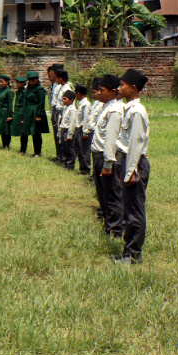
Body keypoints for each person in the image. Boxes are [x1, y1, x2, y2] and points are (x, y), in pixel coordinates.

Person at [112, 69, 149, 265]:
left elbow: (135, 142)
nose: (119, 89)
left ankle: (134, 255)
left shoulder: (136, 111)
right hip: (129, 160)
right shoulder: (129, 108)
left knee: (135, 210)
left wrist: (131, 170)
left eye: (122, 85)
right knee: (129, 209)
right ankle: (128, 251)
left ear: (132, 88)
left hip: (133, 162)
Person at [91, 74, 123, 237]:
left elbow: (111, 139)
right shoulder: (105, 107)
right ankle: (108, 224)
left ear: (113, 91)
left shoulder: (115, 110)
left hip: (106, 158)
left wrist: (108, 164)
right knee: (103, 194)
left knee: (112, 195)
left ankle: (116, 229)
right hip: (99, 156)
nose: (99, 93)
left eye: (102, 90)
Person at [23, 71, 49, 157]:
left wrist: (39, 115)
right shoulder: (28, 89)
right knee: (30, 131)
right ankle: (31, 151)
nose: (31, 82)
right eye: (30, 81)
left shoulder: (40, 89)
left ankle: (38, 152)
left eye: (33, 81)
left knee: (36, 133)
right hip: (29, 111)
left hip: (36, 111)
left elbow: (41, 103)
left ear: (37, 80)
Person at [73, 83, 92, 176]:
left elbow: (86, 119)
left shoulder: (86, 104)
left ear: (79, 93)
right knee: (80, 150)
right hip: (78, 129)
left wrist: (85, 132)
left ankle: (86, 168)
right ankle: (82, 168)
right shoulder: (81, 103)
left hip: (82, 129)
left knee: (84, 150)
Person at [58, 89, 78, 171]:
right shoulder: (66, 108)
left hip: (67, 130)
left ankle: (70, 165)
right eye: (63, 99)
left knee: (70, 149)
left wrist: (70, 134)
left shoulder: (73, 110)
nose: (63, 101)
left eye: (65, 99)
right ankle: (66, 162)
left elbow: (72, 123)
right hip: (63, 130)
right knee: (65, 148)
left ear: (71, 100)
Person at [0, 75, 14, 150]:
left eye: (2, 82)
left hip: (5, 111)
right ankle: (3, 145)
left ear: (7, 82)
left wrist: (10, 115)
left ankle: (7, 145)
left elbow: (10, 104)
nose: (0, 83)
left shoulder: (9, 92)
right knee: (1, 129)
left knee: (6, 129)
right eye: (0, 82)